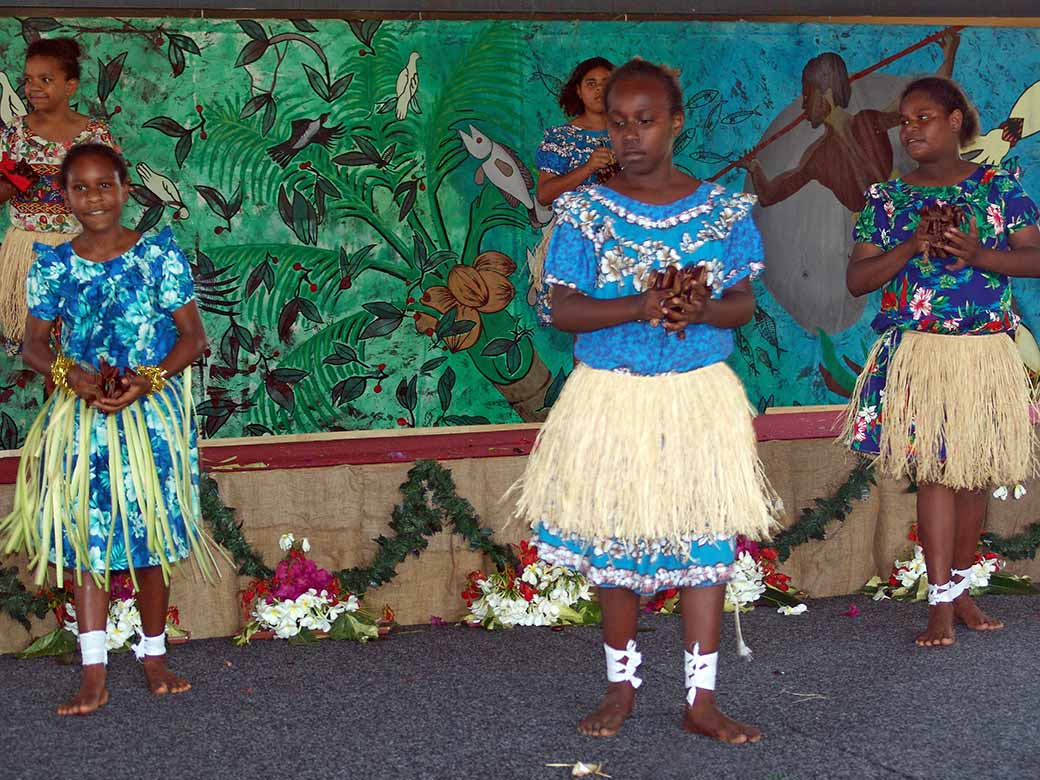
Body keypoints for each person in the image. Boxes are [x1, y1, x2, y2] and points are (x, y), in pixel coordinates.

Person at [511, 60, 778, 743]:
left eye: (646, 121)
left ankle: (701, 700)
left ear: (676, 123)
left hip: (697, 398)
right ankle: (620, 686)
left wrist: (700, 308)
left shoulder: (721, 209)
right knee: (615, 536)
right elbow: (561, 309)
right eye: (618, 123)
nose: (630, 135)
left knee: (704, 537)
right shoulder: (584, 211)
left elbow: (742, 304)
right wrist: (641, 304)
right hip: (613, 399)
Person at [0, 143, 218, 715]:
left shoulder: (157, 255)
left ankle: (154, 655)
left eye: (104, 185)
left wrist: (147, 380)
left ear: (124, 190)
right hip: (84, 419)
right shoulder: (54, 264)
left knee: (151, 535)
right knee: (86, 537)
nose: (93, 197)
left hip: (150, 418)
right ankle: (93, 671)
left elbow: (193, 339)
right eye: (80, 187)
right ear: (65, 196)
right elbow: (34, 346)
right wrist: (74, 378)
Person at [844, 77, 1040, 647]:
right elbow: (857, 279)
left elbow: (1034, 257)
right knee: (934, 471)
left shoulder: (998, 187)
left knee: (972, 473)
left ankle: (961, 590)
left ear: (956, 121)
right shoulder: (887, 198)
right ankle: (939, 604)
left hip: (983, 351)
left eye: (923, 117)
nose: (910, 130)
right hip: (921, 353)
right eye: (904, 121)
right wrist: (911, 246)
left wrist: (978, 254)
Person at [0, 38, 119, 345]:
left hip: (80, 248)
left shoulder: (95, 134)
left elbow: (112, 191)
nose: (34, 88)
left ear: (70, 86)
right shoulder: (14, 133)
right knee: (37, 345)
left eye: (46, 79)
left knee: (78, 343)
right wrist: (13, 181)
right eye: (28, 80)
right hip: (27, 249)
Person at [528, 57, 617, 316]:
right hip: (577, 242)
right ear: (578, 90)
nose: (599, 89)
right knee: (580, 320)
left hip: (622, 242)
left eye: (606, 83)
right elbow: (544, 195)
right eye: (591, 83)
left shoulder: (631, 136)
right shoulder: (560, 138)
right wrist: (588, 168)